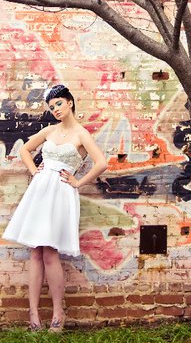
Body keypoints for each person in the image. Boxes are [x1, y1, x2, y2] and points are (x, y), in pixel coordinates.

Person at [2, 84, 108, 332]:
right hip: (39, 191)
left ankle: (58, 314)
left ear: (70, 102)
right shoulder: (49, 130)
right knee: (35, 252)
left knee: (49, 252)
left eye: (59, 104)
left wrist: (78, 182)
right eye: (51, 107)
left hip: (60, 192)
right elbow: (25, 150)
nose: (56, 109)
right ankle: (34, 315)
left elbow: (101, 163)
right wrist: (34, 170)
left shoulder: (82, 134)